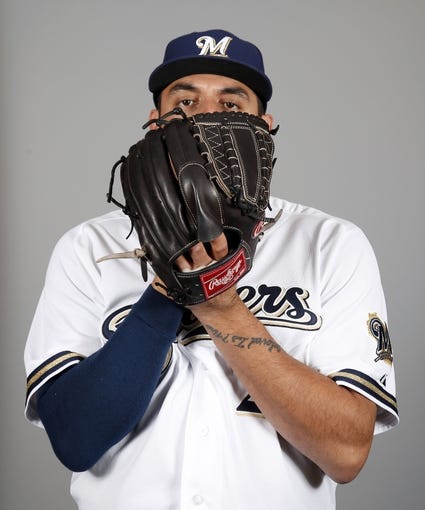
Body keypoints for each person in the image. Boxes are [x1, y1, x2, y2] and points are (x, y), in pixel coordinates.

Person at [24, 29, 398, 510]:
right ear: (155, 122)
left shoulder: (330, 244)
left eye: (231, 104)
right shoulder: (87, 247)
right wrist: (167, 283)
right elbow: (76, 439)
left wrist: (217, 300)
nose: (204, 118)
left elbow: (345, 454)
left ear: (265, 126)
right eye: (184, 102)